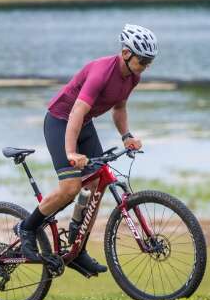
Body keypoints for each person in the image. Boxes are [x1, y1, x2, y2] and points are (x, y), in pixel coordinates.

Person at [15, 24, 158, 274]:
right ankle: (27, 227)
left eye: (150, 61)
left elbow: (119, 108)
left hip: (85, 124)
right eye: (143, 60)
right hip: (61, 121)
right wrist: (71, 153)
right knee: (70, 187)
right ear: (126, 53)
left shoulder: (133, 76)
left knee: (97, 184)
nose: (146, 65)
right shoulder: (102, 72)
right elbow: (76, 111)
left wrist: (127, 136)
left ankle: (76, 248)